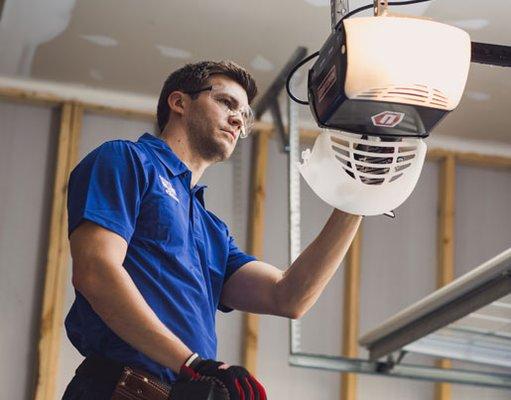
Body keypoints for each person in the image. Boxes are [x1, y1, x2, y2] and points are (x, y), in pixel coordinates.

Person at [62, 61, 362, 400]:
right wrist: (191, 363)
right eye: (226, 103)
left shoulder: (211, 230)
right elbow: (95, 272)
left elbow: (288, 296)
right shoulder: (127, 160)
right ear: (179, 103)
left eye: (245, 115)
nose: (238, 119)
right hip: (118, 389)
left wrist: (358, 200)